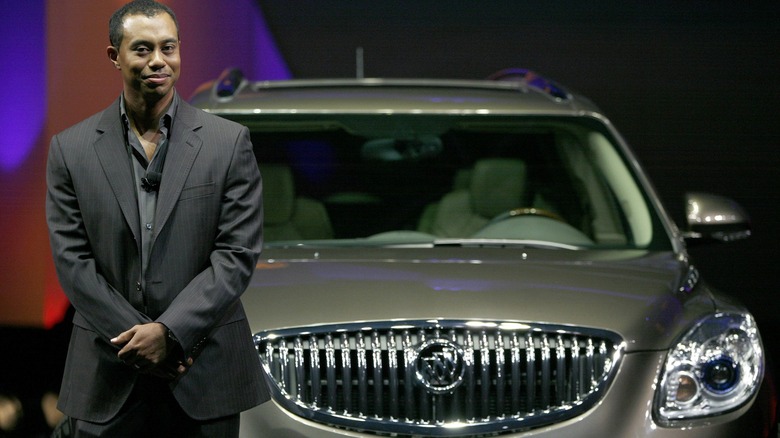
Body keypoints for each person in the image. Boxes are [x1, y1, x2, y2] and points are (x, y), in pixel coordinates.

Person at [45, 0, 268, 436]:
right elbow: (73, 262)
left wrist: (170, 333)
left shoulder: (228, 143)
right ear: (115, 56)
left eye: (168, 48)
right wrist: (138, 340)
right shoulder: (70, 150)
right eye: (142, 49)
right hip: (108, 372)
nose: (158, 61)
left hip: (204, 369)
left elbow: (236, 254)